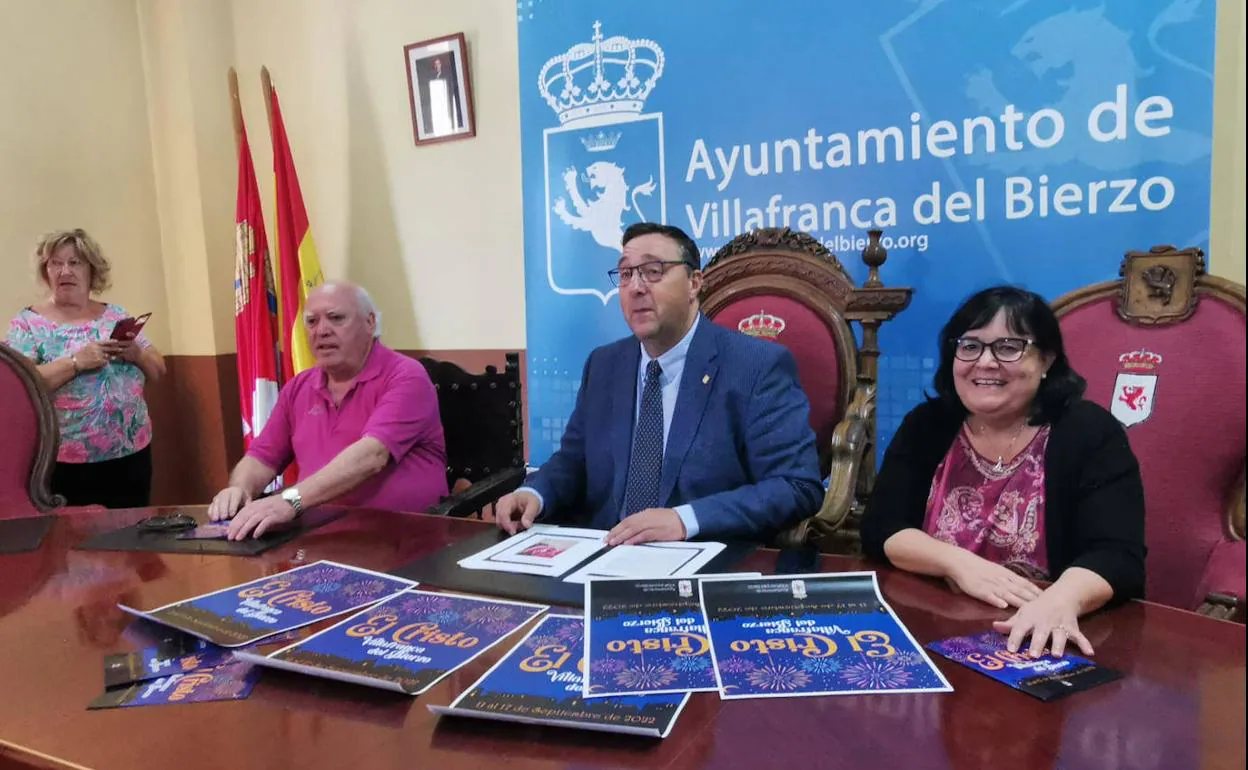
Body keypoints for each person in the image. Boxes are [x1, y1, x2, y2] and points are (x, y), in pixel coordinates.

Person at [861, 286, 1146, 658]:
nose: (985, 362)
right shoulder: (928, 424)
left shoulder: (1088, 432)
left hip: (1042, 634)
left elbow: (1116, 555)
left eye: (1008, 347)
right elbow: (882, 529)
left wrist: (1061, 600)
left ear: (1046, 360)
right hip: (935, 626)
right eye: (970, 346)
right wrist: (958, 563)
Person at [494, 222, 824, 544]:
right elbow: (574, 461)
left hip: (704, 562)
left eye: (653, 271)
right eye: (625, 274)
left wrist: (686, 519)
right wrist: (535, 491)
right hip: (602, 555)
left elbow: (796, 486)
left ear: (695, 283)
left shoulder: (756, 366)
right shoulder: (604, 364)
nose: (636, 287)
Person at [207, 281, 447, 539]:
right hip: (316, 536)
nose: (321, 331)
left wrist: (291, 501)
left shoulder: (405, 376)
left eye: (336, 318)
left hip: (402, 539)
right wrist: (240, 490)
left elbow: (372, 457)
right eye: (311, 322)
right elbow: (261, 457)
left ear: (369, 323)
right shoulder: (299, 387)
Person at [5, 229, 165, 508]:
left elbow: (158, 370)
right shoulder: (27, 323)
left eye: (75, 262)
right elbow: (20, 387)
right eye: (55, 263)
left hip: (132, 453)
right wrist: (76, 363)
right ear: (46, 272)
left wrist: (136, 354)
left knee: (133, 539)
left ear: (92, 270)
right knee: (76, 545)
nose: (65, 270)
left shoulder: (116, 314)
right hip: (67, 462)